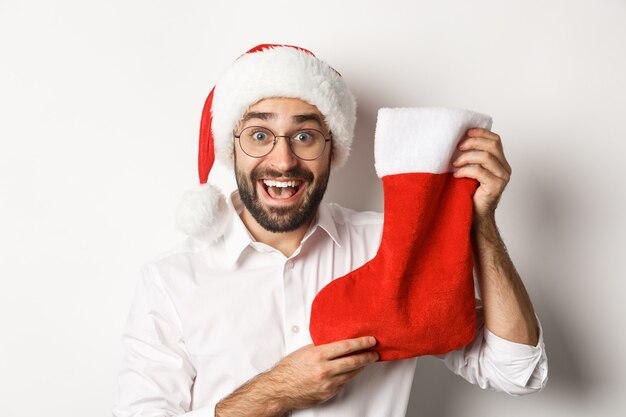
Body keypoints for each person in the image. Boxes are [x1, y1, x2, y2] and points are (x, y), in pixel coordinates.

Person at [113, 44, 547, 417]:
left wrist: (481, 222)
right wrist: (275, 392)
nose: (282, 161)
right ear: (231, 149)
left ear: (332, 148)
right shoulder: (172, 279)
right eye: (260, 135)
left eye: (304, 136)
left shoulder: (393, 246)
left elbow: (516, 371)